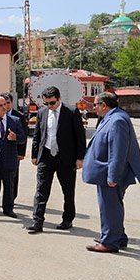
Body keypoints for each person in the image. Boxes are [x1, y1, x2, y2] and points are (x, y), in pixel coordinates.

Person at [83, 92, 140, 253]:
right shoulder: (112, 117)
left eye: (95, 105)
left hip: (111, 174)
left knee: (109, 207)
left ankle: (109, 242)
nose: (93, 108)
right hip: (107, 172)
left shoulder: (117, 121)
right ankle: (118, 237)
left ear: (104, 105)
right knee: (113, 206)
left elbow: (118, 152)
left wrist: (113, 176)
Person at [26, 86, 86, 234]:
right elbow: (37, 136)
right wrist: (34, 155)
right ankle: (37, 221)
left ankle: (67, 219)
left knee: (68, 191)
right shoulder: (42, 113)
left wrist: (80, 158)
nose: (49, 106)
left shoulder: (71, 112)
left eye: (52, 103)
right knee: (41, 190)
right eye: (46, 103)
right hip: (46, 157)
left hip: (65, 158)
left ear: (59, 99)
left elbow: (80, 137)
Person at [0, 92, 28, 203]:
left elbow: (24, 135)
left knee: (13, 177)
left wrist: (21, 153)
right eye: (3, 103)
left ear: (12, 103)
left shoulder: (19, 117)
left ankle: (11, 198)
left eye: (8, 103)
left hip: (14, 152)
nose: (5, 106)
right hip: (0, 152)